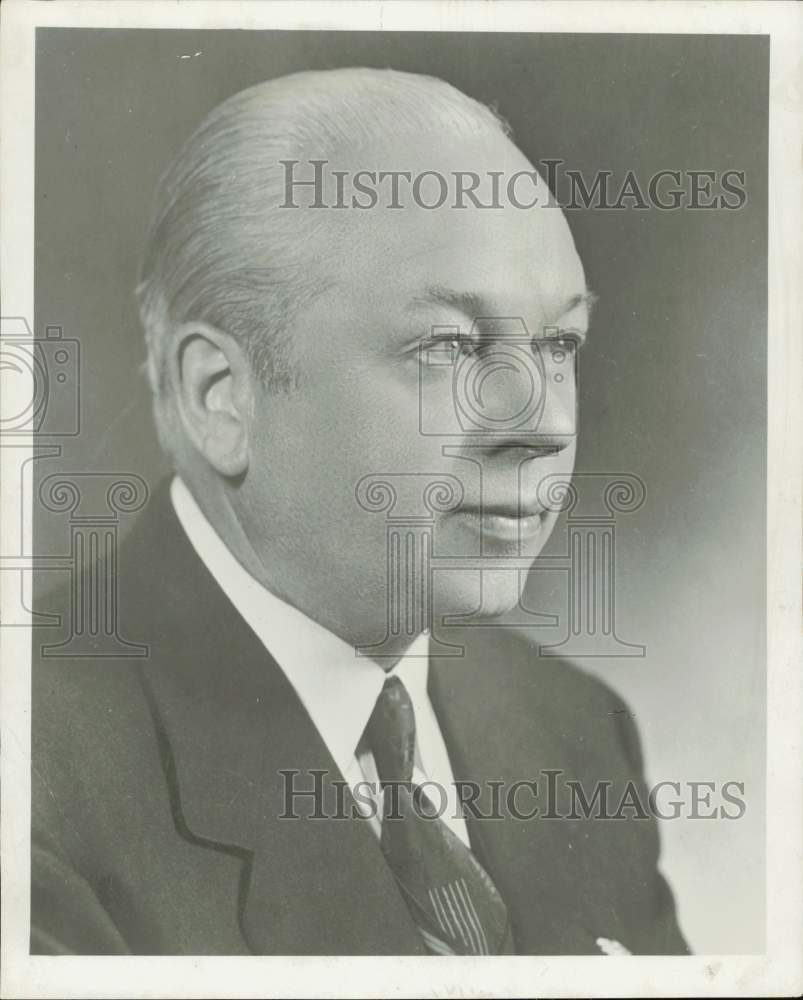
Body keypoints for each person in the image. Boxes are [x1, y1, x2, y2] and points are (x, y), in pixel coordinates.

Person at [31, 68, 689, 956]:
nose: (547, 423)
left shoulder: (572, 731)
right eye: (448, 346)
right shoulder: (33, 776)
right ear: (220, 396)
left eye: (559, 342)